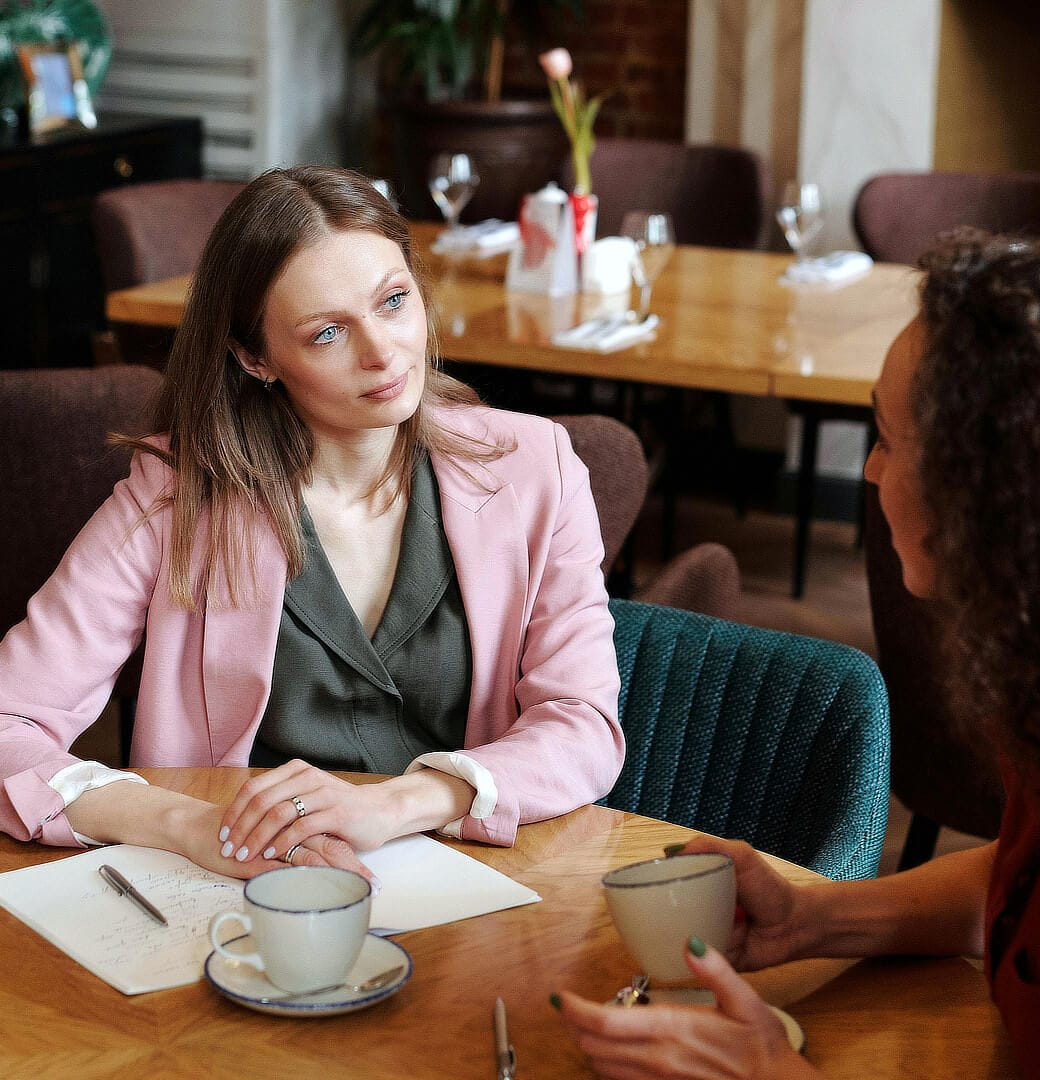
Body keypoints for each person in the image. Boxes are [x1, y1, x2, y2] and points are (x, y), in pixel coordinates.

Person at [555, 230, 1040, 1079]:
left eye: (889, 438)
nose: (867, 468)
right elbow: (1032, 893)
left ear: (993, 502)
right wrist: (813, 919)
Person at [0, 165, 624, 884]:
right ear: (254, 357)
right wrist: (188, 824)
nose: (382, 352)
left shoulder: (536, 467)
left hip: (469, 880)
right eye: (327, 332)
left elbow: (582, 725)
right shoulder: (177, 495)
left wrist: (404, 802)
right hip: (241, 893)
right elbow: (11, 723)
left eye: (394, 301)